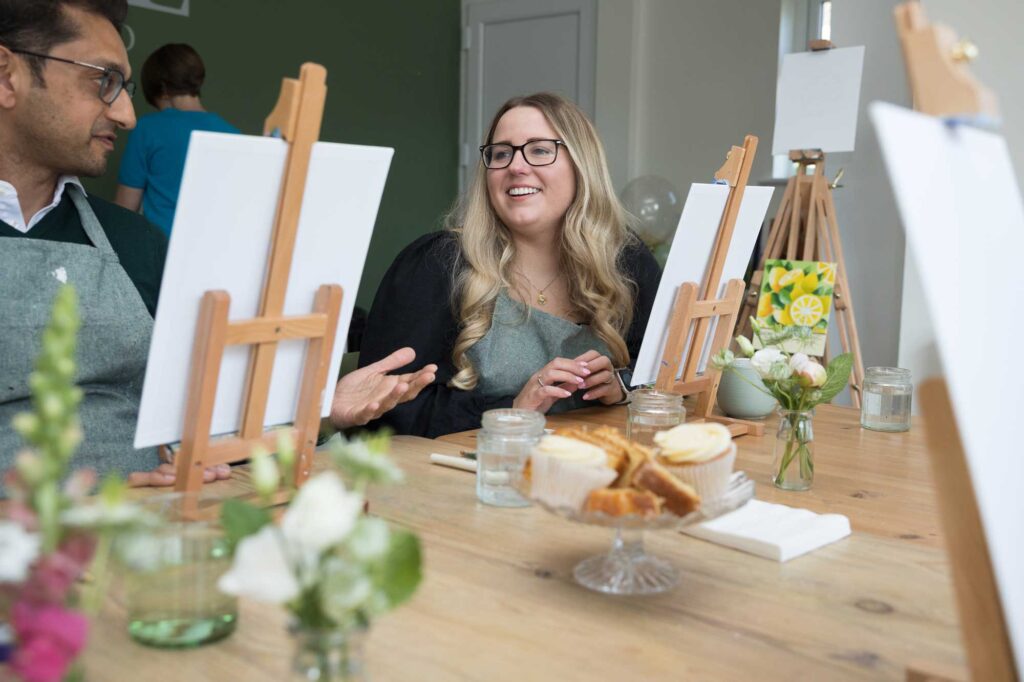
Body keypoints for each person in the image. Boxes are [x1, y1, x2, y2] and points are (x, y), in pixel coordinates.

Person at [0, 0, 435, 490]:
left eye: (123, 87)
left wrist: (318, 408)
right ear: (7, 75)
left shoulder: (135, 242)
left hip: (155, 527)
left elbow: (194, 413)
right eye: (103, 81)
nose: (127, 115)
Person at [358, 92, 661, 438]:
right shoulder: (436, 265)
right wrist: (512, 409)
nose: (516, 167)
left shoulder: (626, 260)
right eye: (501, 153)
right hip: (466, 480)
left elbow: (663, 373)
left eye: (540, 150)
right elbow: (386, 415)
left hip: (587, 469)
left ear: (582, 165)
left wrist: (618, 387)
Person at [114, 43, 237, 237]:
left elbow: (124, 211)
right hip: (215, 253)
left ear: (162, 89)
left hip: (161, 254)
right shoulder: (233, 135)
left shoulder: (148, 128)